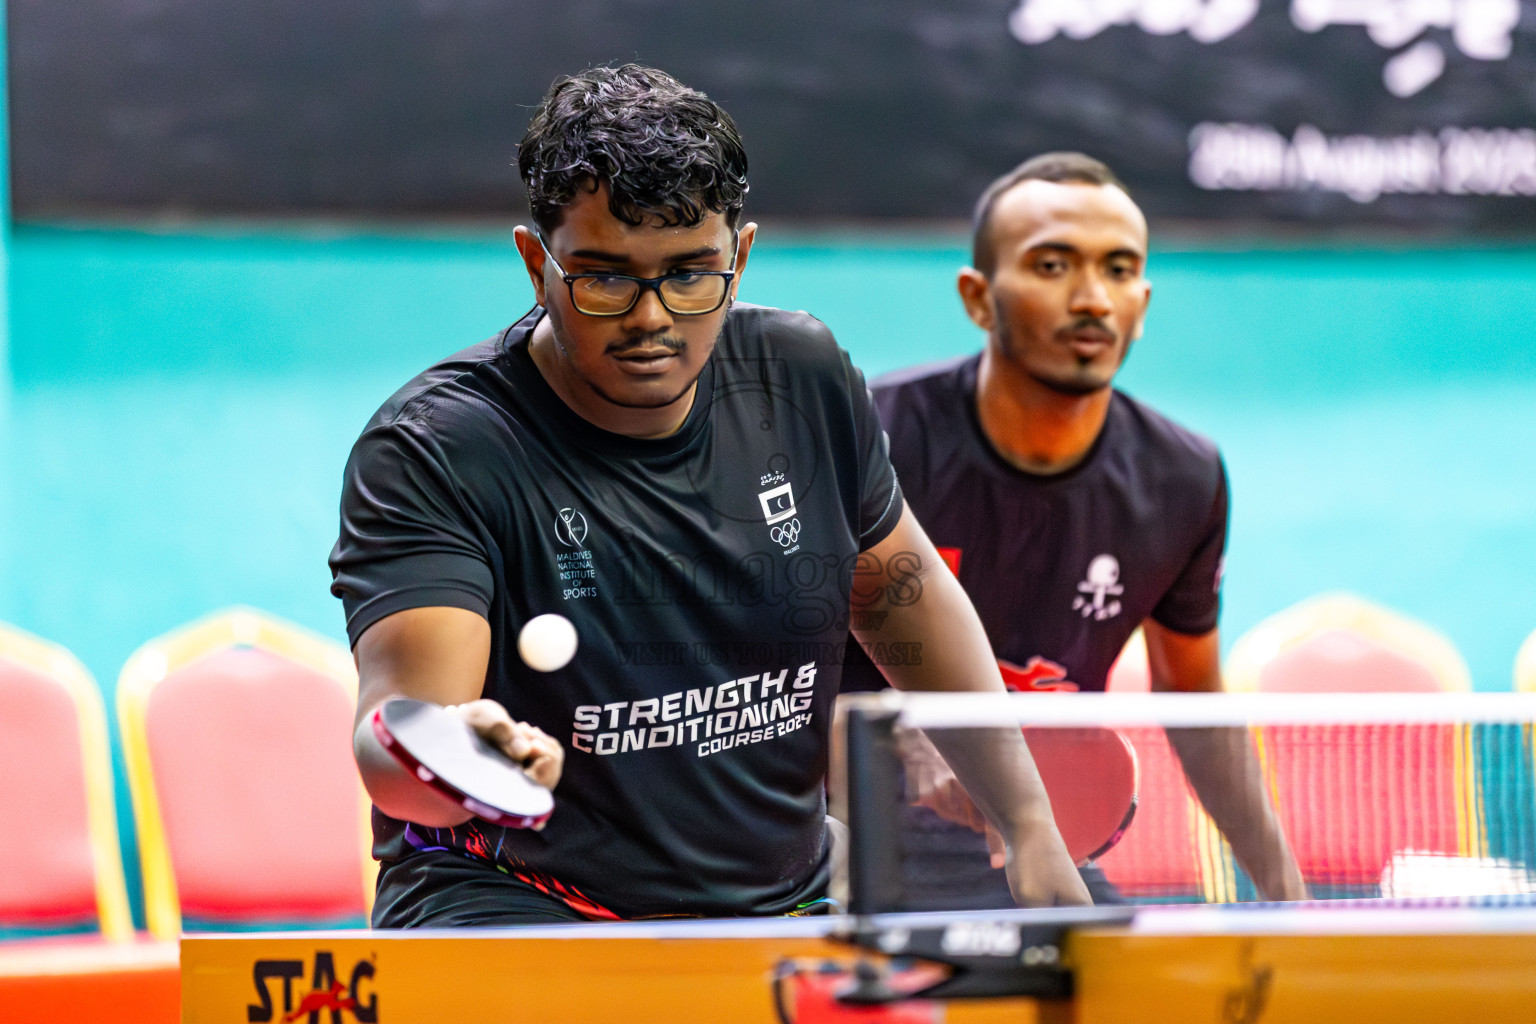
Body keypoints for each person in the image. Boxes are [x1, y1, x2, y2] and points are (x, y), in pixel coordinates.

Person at [328, 65, 1091, 927]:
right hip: (521, 904)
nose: (653, 317)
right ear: (536, 263)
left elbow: (901, 599)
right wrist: (455, 758)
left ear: (743, 254)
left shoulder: (800, 377)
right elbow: (395, 741)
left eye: (692, 276)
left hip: (786, 900)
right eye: (605, 279)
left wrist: (1027, 820)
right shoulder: (438, 449)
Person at [842, 152, 1308, 903]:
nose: (1093, 299)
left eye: (1120, 270)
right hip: (836, 839)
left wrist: (1290, 897)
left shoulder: (1184, 478)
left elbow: (1192, 699)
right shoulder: (866, 434)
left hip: (1035, 848)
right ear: (978, 298)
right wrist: (900, 729)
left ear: (1144, 303)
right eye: (1053, 265)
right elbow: (763, 655)